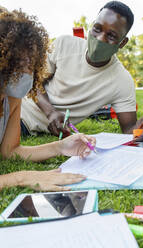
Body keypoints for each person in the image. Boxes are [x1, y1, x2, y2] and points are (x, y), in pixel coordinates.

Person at [21, 1, 143, 142]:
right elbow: (31, 81)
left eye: (111, 36)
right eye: (97, 29)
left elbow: (129, 130)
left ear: (122, 43)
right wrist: (50, 112)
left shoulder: (122, 81)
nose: (100, 38)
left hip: (24, 126)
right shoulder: (64, 44)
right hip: (14, 106)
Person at [0, 9, 96, 191]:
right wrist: (21, 178)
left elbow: (10, 152)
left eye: (32, 63)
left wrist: (60, 147)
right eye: (19, 62)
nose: (27, 73)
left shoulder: (12, 98)